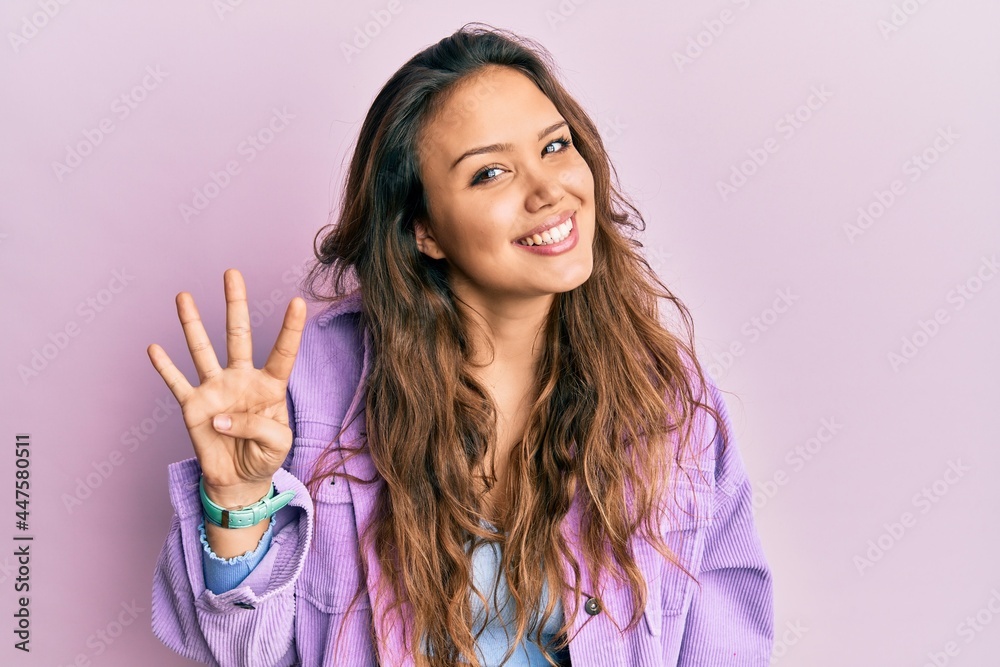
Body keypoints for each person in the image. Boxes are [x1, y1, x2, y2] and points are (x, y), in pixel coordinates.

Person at [147, 23, 774, 667]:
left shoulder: (664, 398)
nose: (548, 190)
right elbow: (243, 652)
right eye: (490, 172)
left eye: (555, 146)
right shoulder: (312, 390)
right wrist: (237, 502)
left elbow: (726, 643)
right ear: (423, 230)